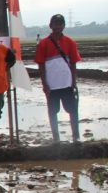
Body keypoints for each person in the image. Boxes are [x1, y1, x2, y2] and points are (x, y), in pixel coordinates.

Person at [34, 14, 81, 143]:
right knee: (53, 112)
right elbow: (41, 65)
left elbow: (73, 63)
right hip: (52, 85)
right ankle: (56, 138)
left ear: (63, 26)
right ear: (51, 26)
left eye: (60, 24)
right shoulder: (43, 44)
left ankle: (76, 137)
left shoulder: (70, 42)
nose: (57, 26)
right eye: (55, 24)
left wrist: (74, 82)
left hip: (67, 84)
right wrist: (45, 84)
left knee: (73, 110)